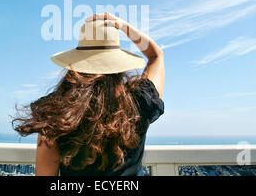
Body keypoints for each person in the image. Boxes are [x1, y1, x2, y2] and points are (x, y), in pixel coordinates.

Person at [12, 12, 165, 176]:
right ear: (118, 64)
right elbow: (156, 56)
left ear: (76, 65)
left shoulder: (56, 113)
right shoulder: (139, 100)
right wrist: (122, 26)